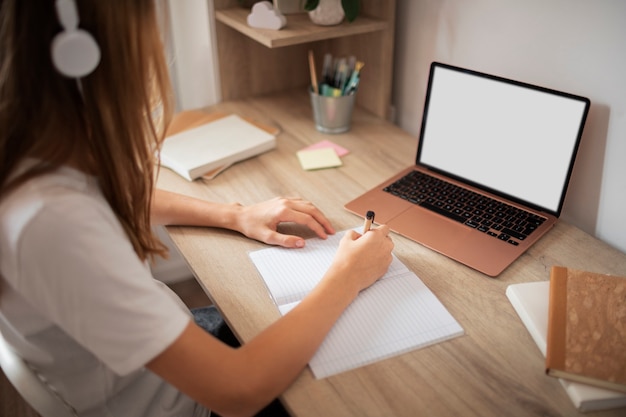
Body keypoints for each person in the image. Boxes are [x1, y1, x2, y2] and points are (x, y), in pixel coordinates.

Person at [0, 2, 394, 417]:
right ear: (87, 55)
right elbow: (238, 391)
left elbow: (118, 197)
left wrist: (234, 214)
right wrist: (347, 276)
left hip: (169, 351)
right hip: (185, 402)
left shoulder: (34, 157)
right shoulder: (52, 224)